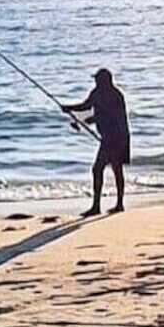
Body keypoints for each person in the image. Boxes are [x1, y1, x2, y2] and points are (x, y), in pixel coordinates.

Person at [61, 68, 130, 216]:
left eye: (97, 79)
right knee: (116, 169)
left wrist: (69, 109)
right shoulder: (108, 94)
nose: (95, 82)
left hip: (114, 138)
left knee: (98, 169)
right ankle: (119, 204)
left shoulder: (108, 95)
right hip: (118, 137)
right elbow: (92, 109)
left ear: (104, 81)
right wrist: (75, 113)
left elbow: (92, 109)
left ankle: (97, 207)